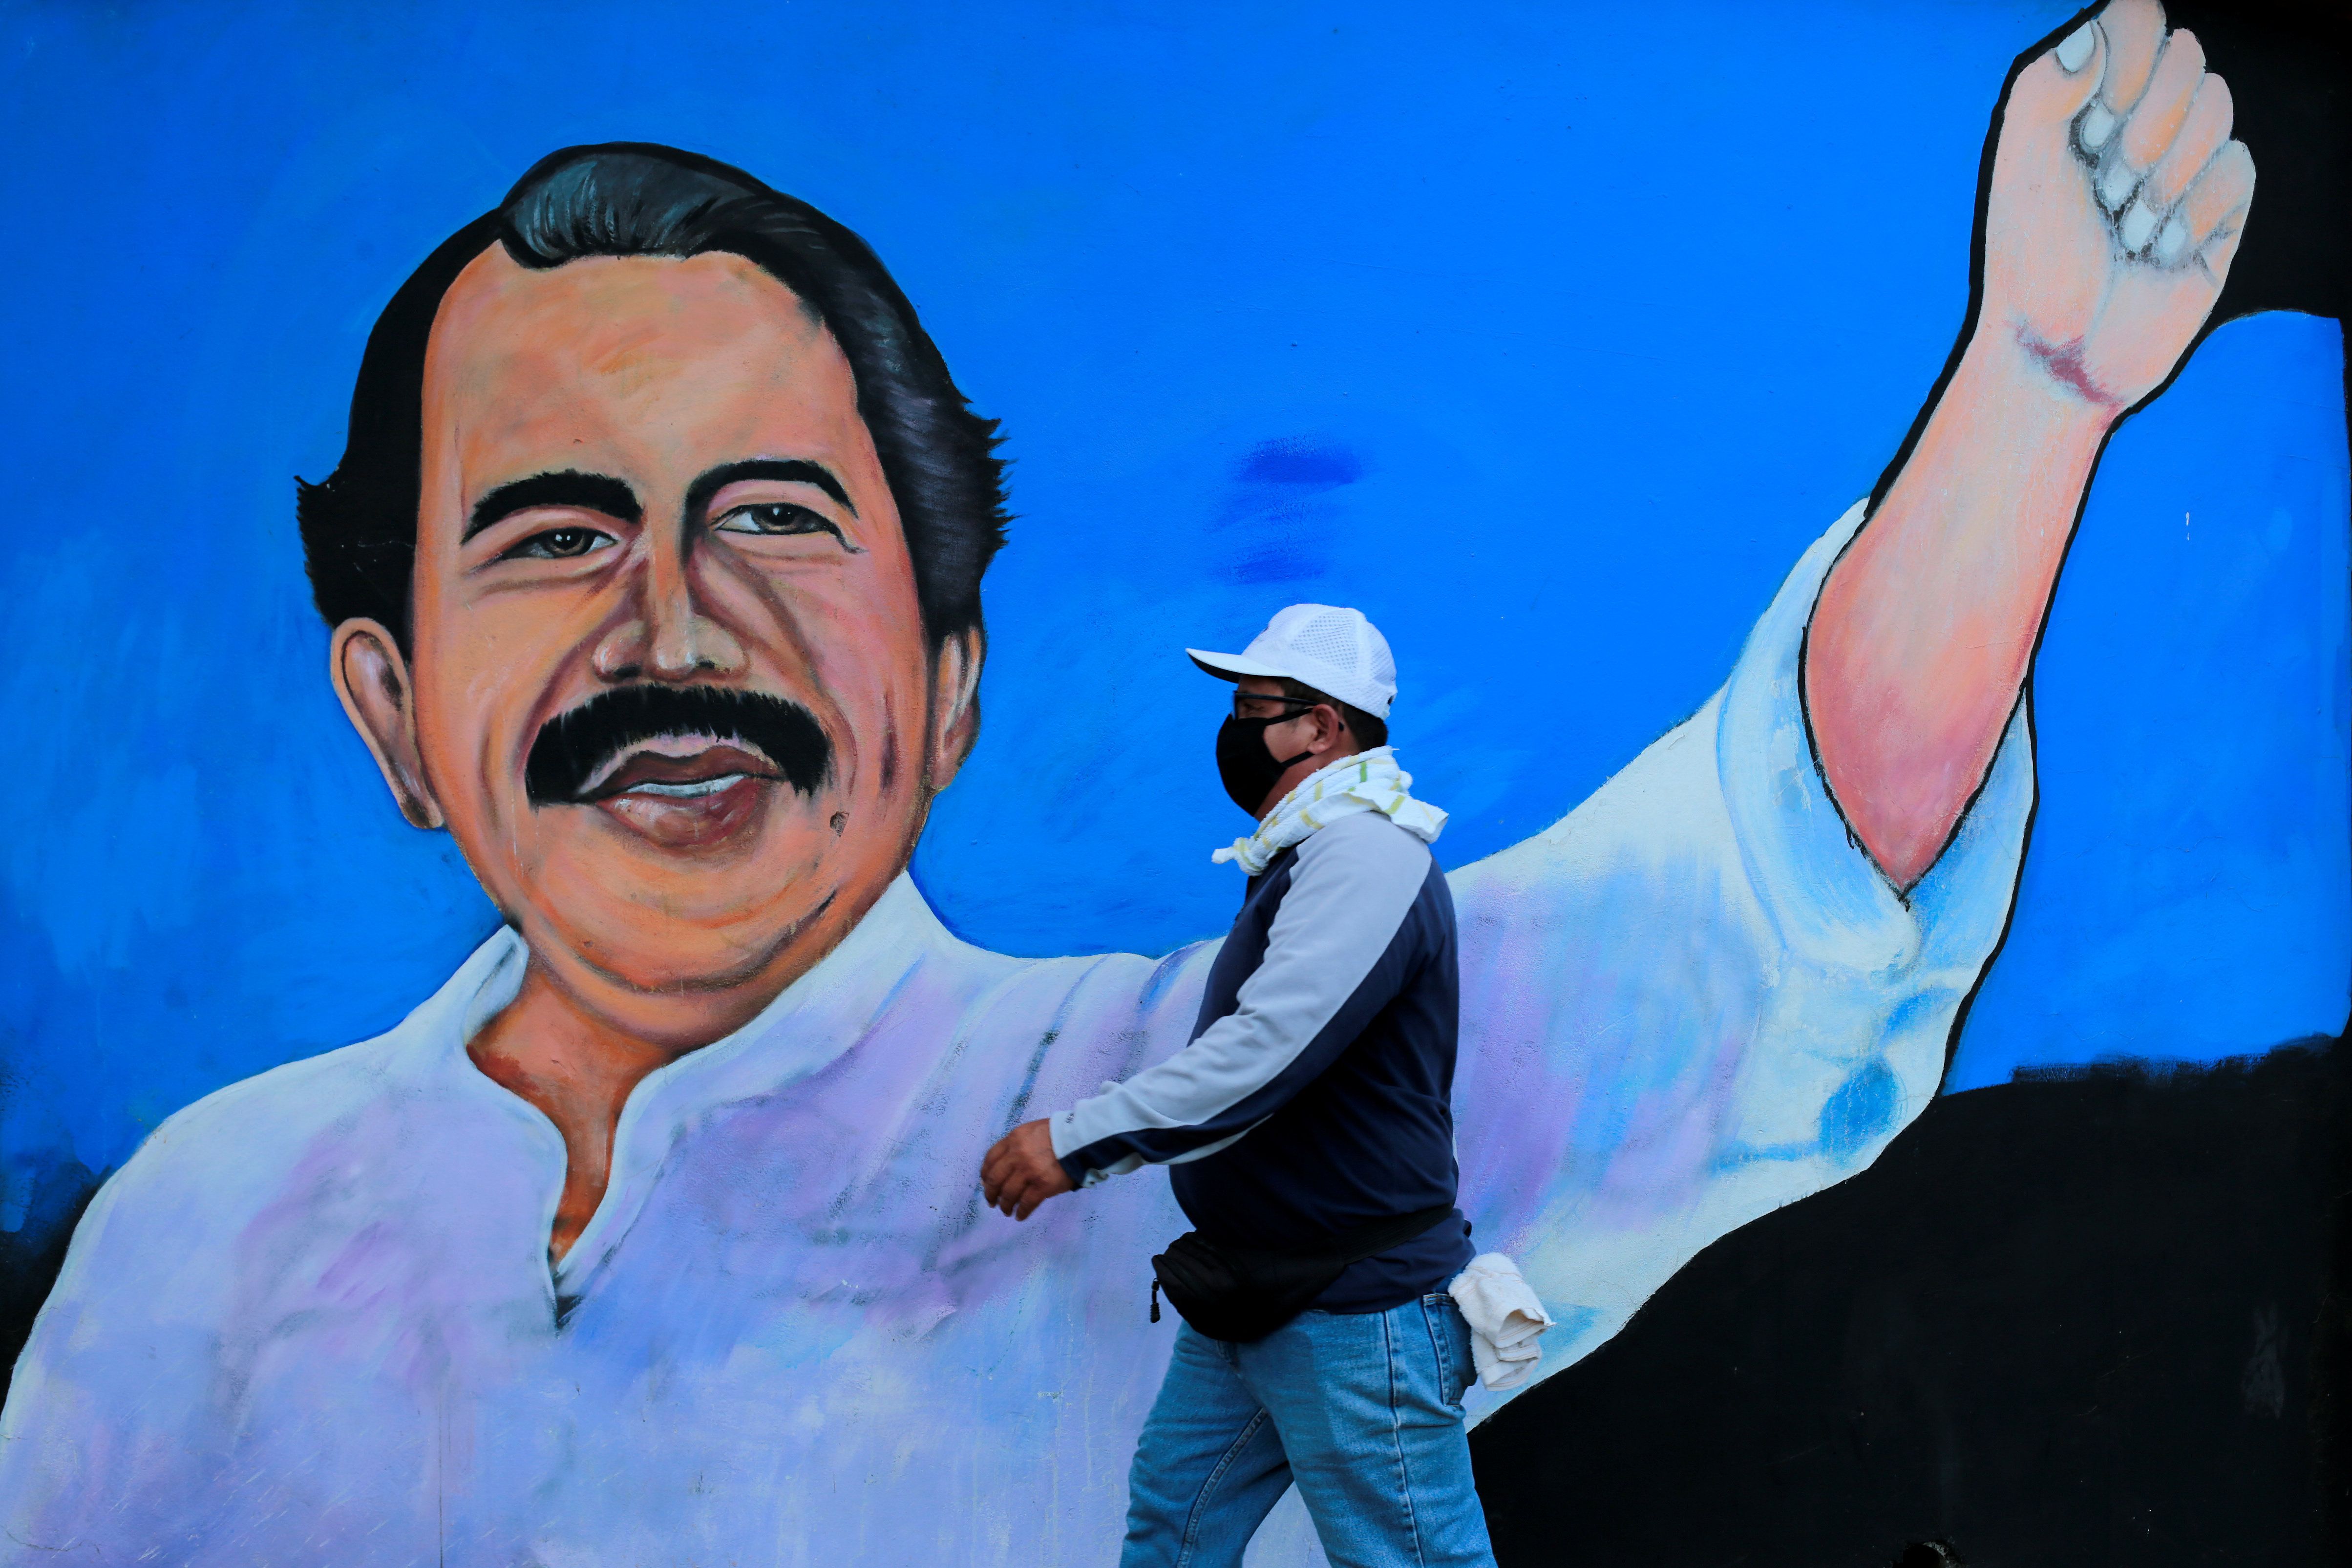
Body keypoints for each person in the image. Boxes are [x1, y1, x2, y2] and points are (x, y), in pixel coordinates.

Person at [0, 8, 2256, 1563]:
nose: (672, 626)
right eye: (555, 530)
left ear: (949, 676)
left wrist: (2036, 394)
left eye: (779, 516)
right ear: (391, 704)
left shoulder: (1210, 1091)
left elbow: (1758, 914)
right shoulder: (192, 1249)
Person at [984, 602, 1496, 1566]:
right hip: (1254, 1291)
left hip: (1354, 1312)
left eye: (1254, 707)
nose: (1233, 730)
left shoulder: (1363, 856)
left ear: (1323, 726)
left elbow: (1264, 1056)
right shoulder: (1310, 851)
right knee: (1175, 1529)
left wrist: (1074, 1142)